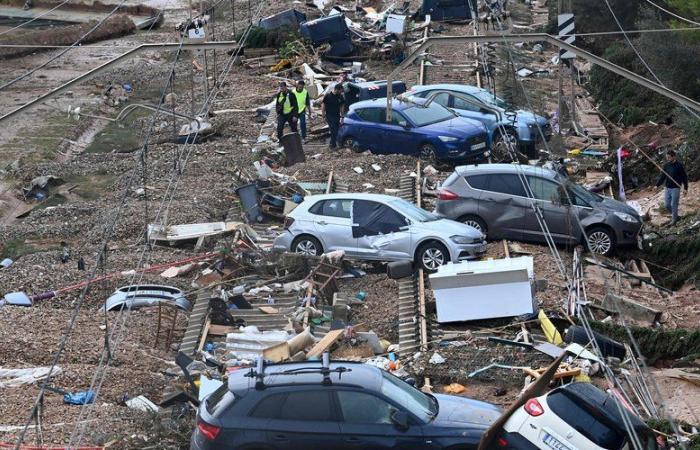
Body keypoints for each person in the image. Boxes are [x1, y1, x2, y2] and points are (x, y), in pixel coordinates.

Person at [656, 149, 688, 225]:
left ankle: (674, 221)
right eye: (667, 157)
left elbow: (684, 177)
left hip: (676, 188)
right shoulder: (666, 165)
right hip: (667, 188)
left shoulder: (679, 165)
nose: (668, 159)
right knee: (667, 205)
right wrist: (657, 185)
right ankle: (676, 216)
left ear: (674, 157)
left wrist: (686, 188)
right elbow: (662, 177)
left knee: (674, 204)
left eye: (669, 157)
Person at [321, 83, 345, 149]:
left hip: (337, 116)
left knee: (336, 130)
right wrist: (323, 114)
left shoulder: (340, 96)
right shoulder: (328, 96)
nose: (341, 92)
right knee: (333, 130)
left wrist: (342, 117)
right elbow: (323, 105)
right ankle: (333, 145)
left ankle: (332, 143)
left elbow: (342, 107)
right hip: (329, 115)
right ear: (337, 89)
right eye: (341, 90)